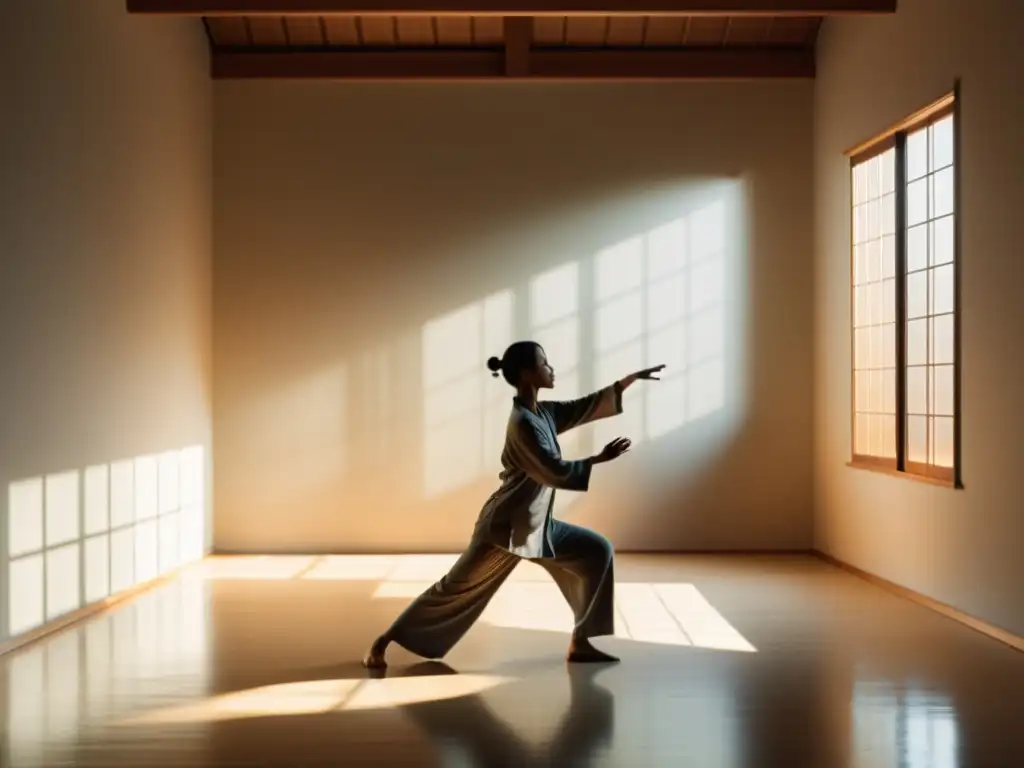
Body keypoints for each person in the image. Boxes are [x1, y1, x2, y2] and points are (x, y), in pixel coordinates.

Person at [363, 341, 665, 668]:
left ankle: (581, 642)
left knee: (597, 551)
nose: (551, 369)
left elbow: (585, 406)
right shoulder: (522, 423)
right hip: (504, 528)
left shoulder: (545, 413)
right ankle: (384, 642)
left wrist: (627, 381)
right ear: (526, 373)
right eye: (545, 363)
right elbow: (553, 470)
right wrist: (598, 459)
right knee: (453, 589)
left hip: (536, 527)